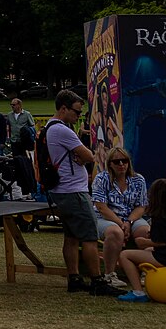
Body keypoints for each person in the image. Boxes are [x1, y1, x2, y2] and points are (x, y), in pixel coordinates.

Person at [45, 90, 115, 296]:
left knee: (71, 237)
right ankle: (97, 280)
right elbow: (89, 156)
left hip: (62, 191)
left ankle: (74, 278)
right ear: (63, 109)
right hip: (73, 191)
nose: (78, 116)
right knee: (89, 237)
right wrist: (85, 155)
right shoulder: (63, 131)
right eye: (76, 112)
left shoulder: (50, 128)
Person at [116, 178, 166, 302]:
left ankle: (138, 292)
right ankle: (145, 279)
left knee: (125, 255)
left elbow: (161, 242)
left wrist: (143, 241)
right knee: (148, 250)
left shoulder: (159, 216)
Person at [91, 148, 150, 288]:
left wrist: (129, 222)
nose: (121, 165)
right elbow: (101, 207)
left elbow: (141, 206)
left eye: (125, 161)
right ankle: (110, 275)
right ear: (110, 164)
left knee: (146, 231)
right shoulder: (101, 179)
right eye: (117, 162)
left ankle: (146, 270)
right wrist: (120, 224)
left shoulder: (138, 179)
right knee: (115, 232)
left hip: (131, 217)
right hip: (105, 217)